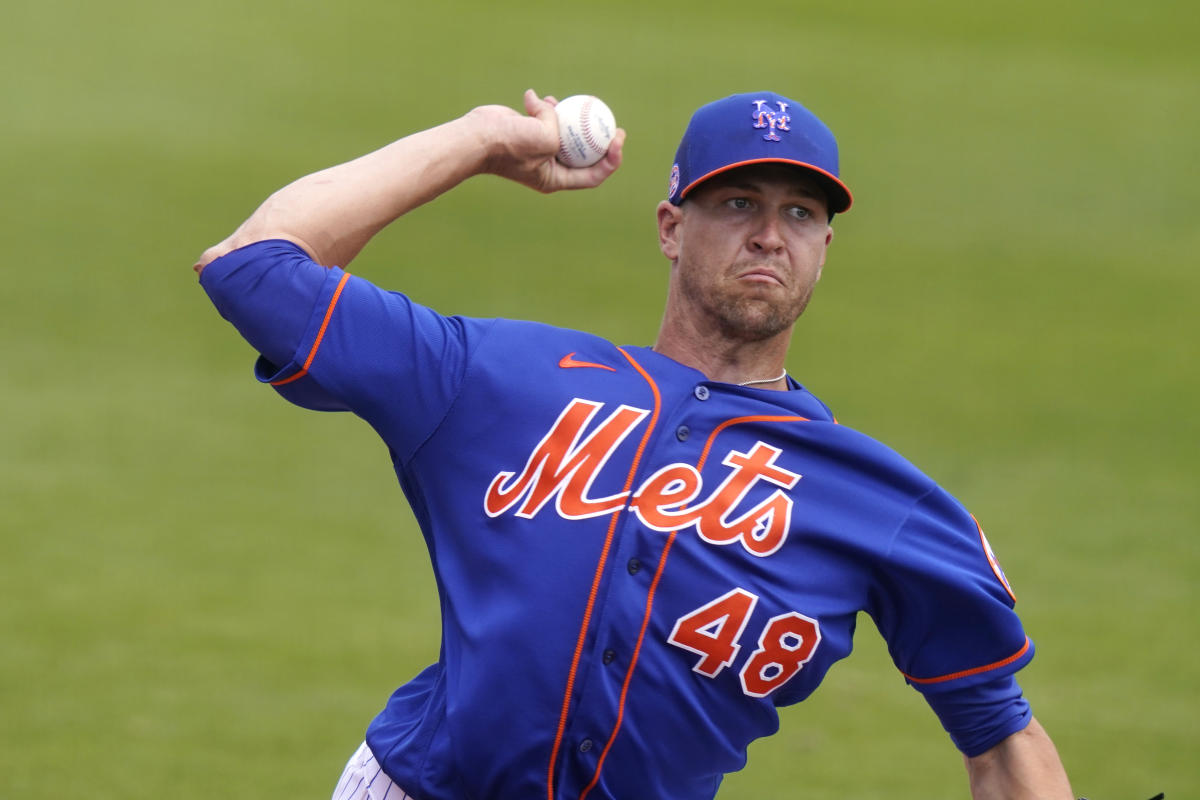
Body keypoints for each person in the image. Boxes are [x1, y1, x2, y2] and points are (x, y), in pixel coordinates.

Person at [195, 89, 1075, 800]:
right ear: (670, 227)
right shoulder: (502, 378)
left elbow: (1000, 735)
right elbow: (254, 267)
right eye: (737, 203)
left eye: (801, 214)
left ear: (825, 247)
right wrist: (482, 140)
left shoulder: (884, 503)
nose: (770, 234)